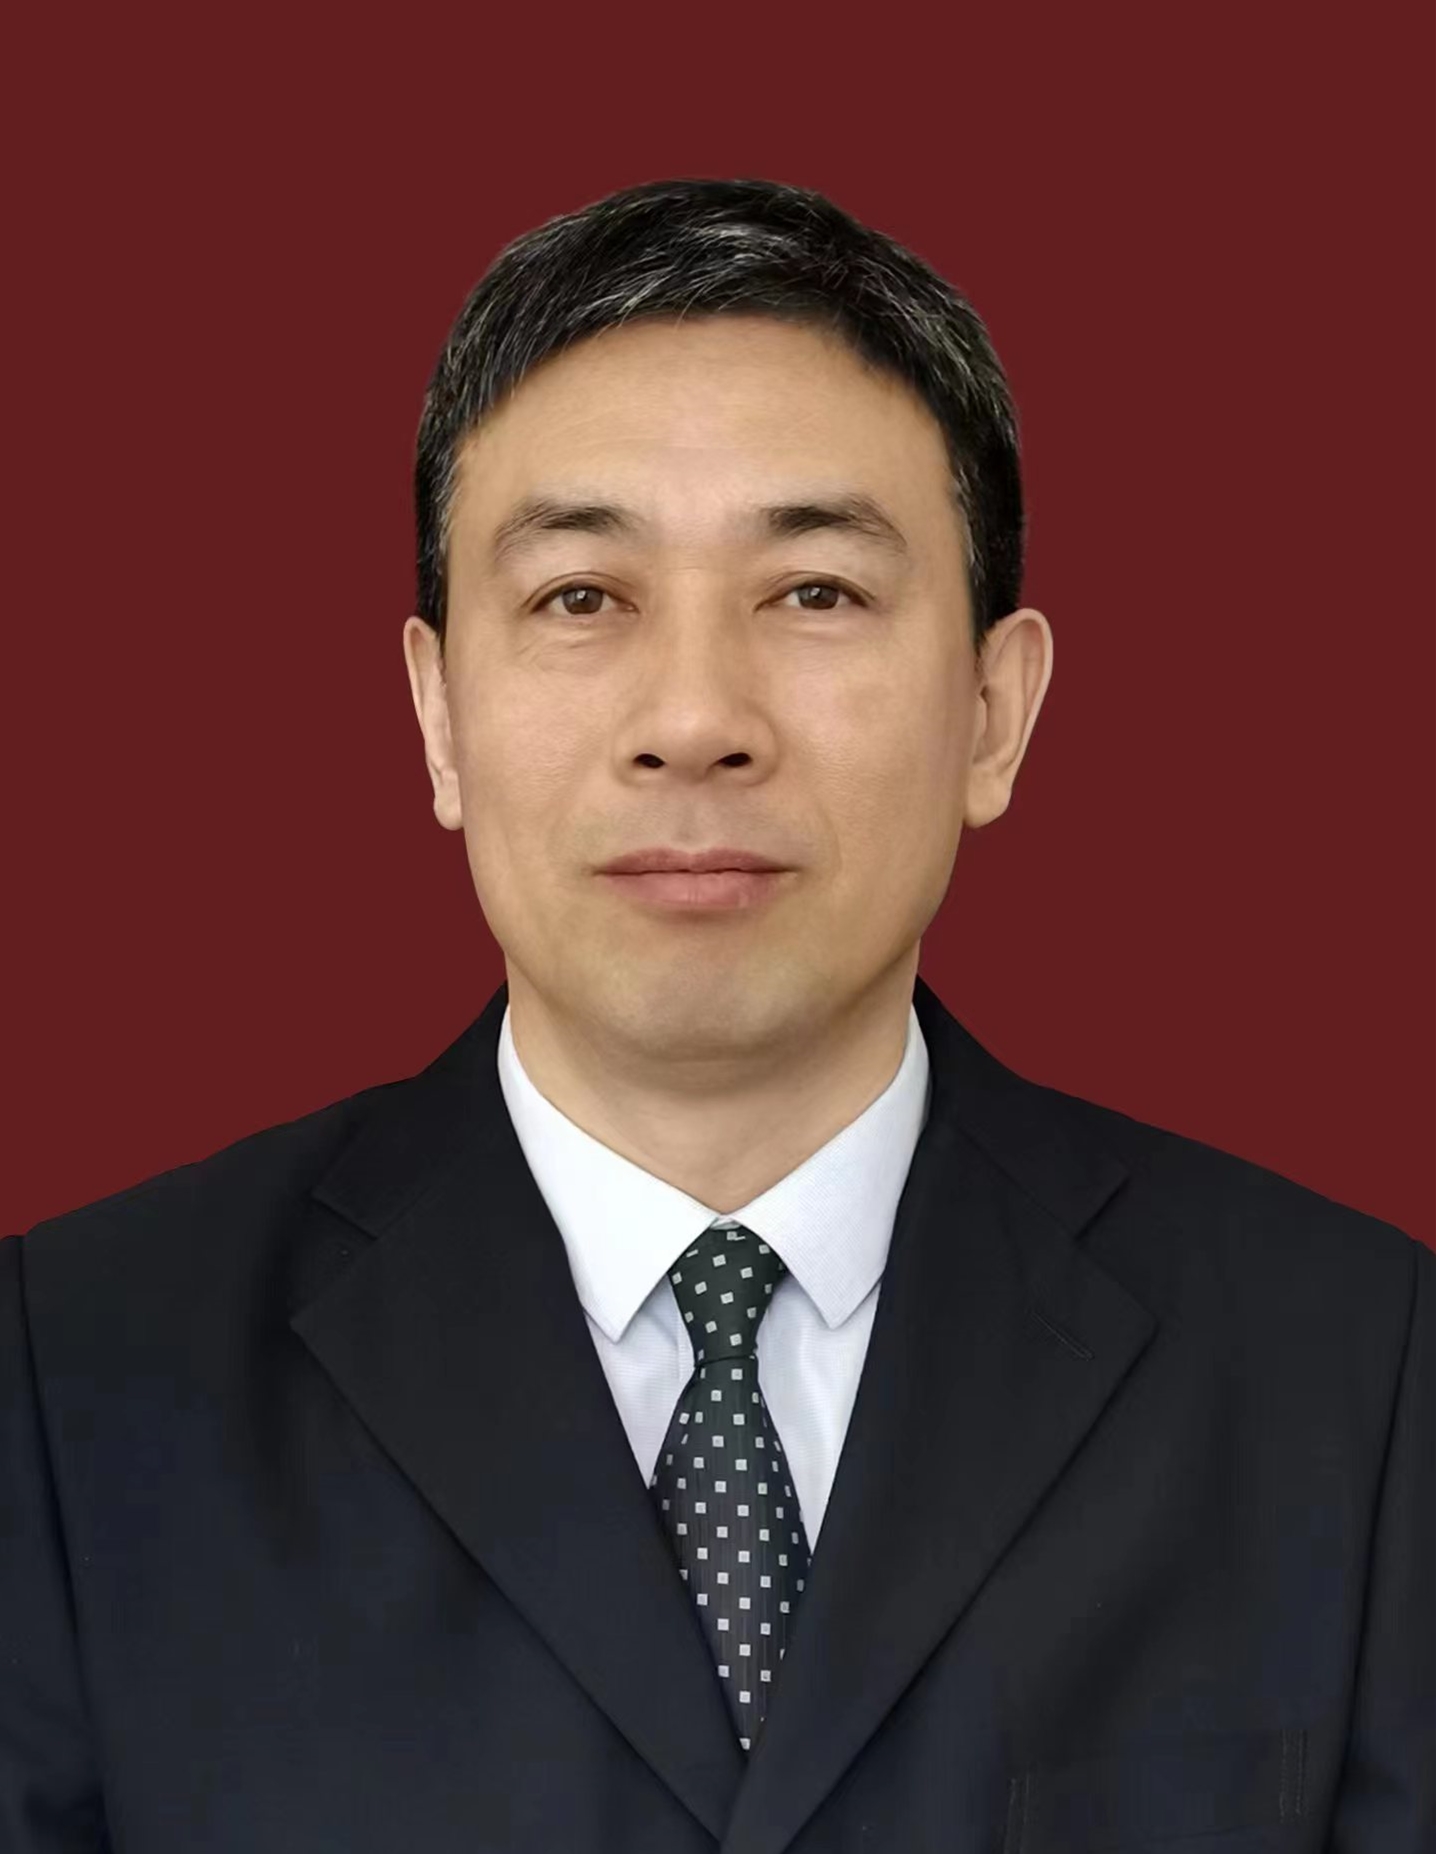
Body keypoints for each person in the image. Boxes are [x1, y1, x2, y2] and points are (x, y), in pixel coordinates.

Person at [2, 176, 1430, 1854]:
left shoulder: (1360, 1371)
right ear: (438, 714)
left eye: (814, 591)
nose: (694, 720)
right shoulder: (70, 1376)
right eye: (581, 597)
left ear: (995, 708)